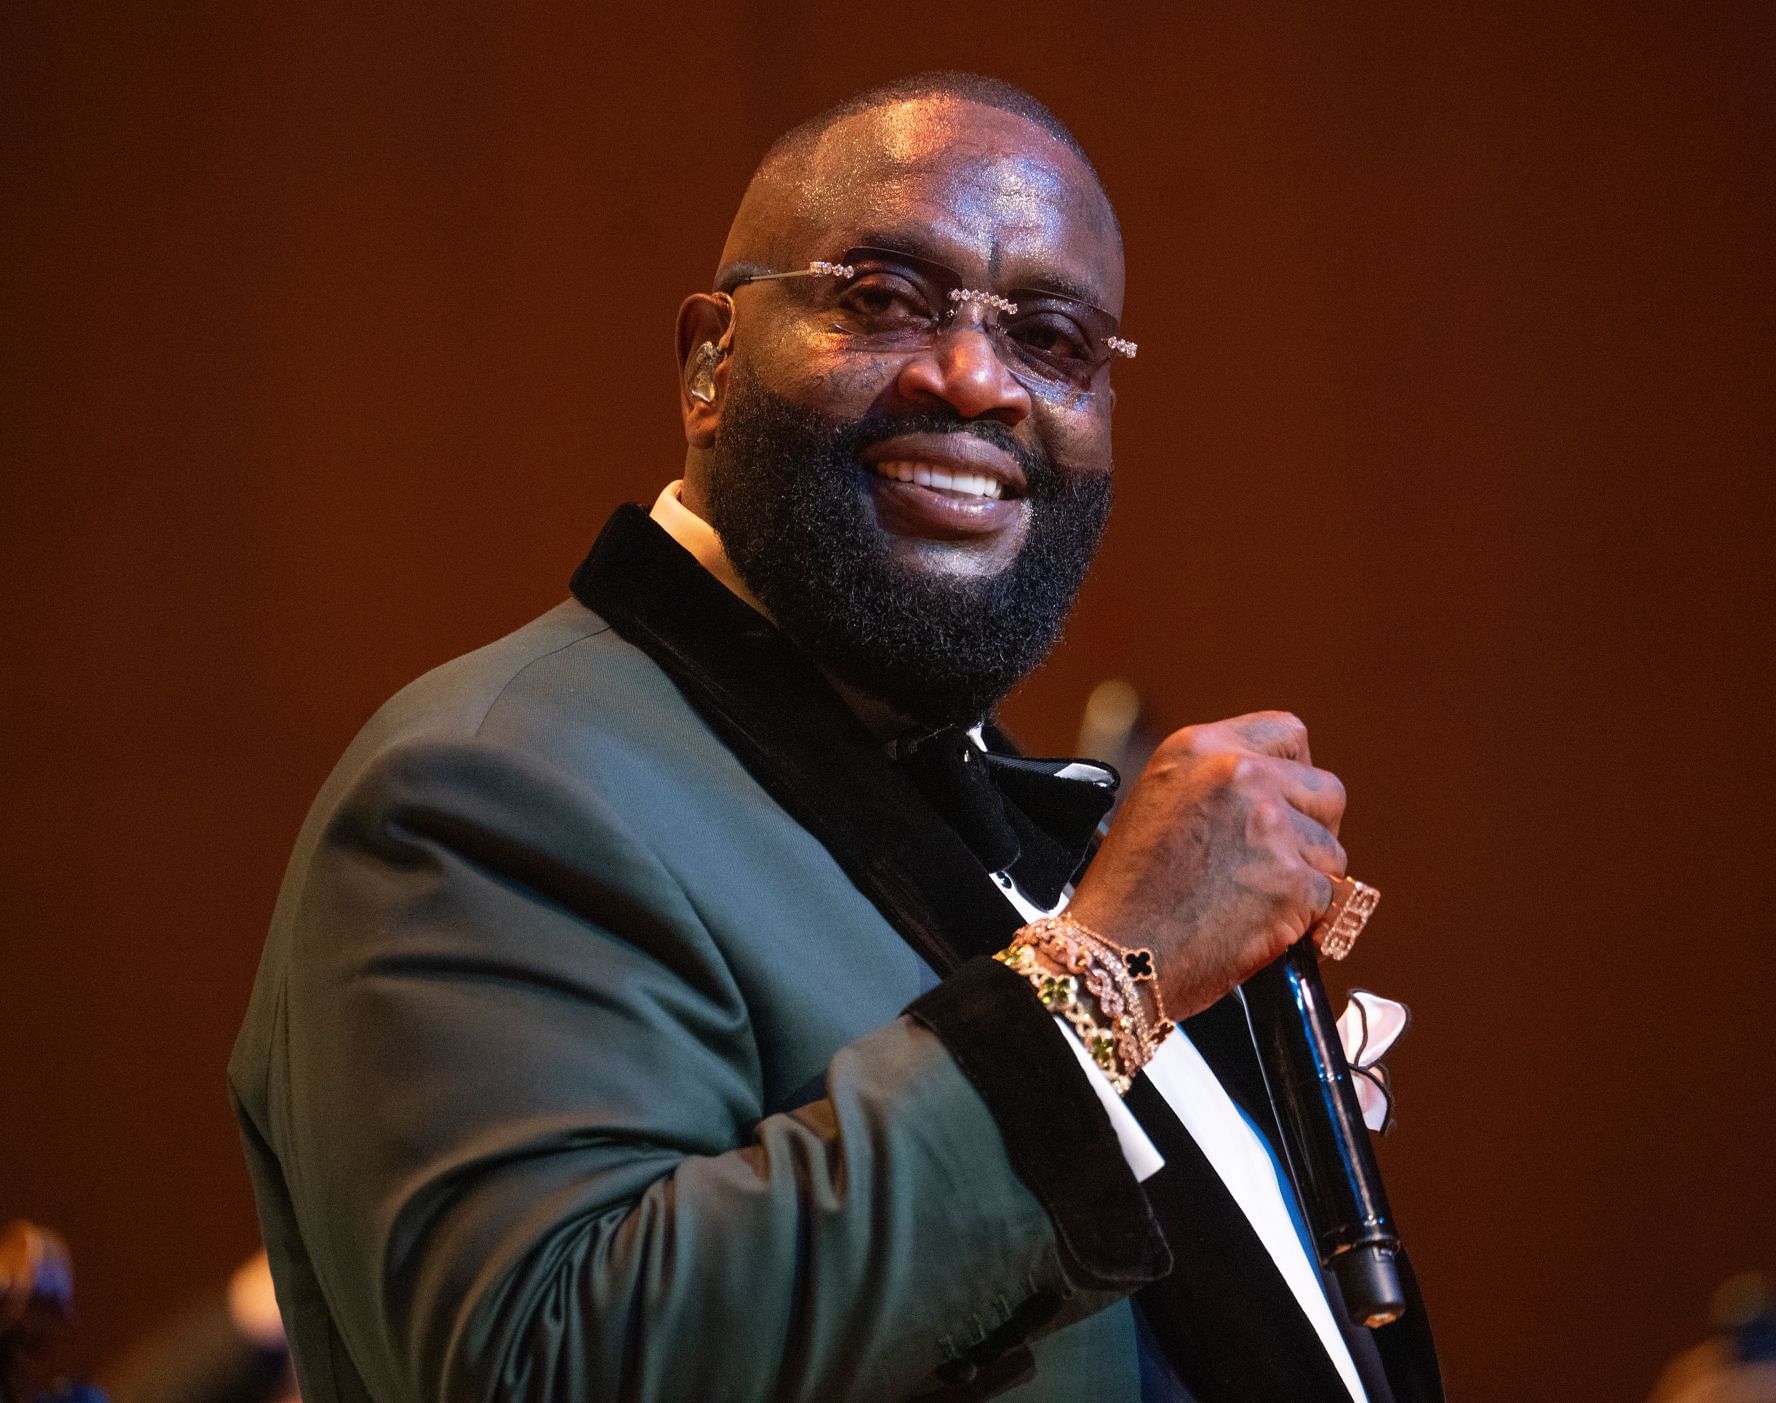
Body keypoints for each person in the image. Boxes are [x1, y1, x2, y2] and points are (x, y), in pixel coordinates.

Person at [229, 73, 1444, 1402]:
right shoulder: (479, 785)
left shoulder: (952, 787)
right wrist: (1105, 983)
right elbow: (552, 1367)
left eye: (1054, 336)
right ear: (708, 358)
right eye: (881, 297)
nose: (976, 379)